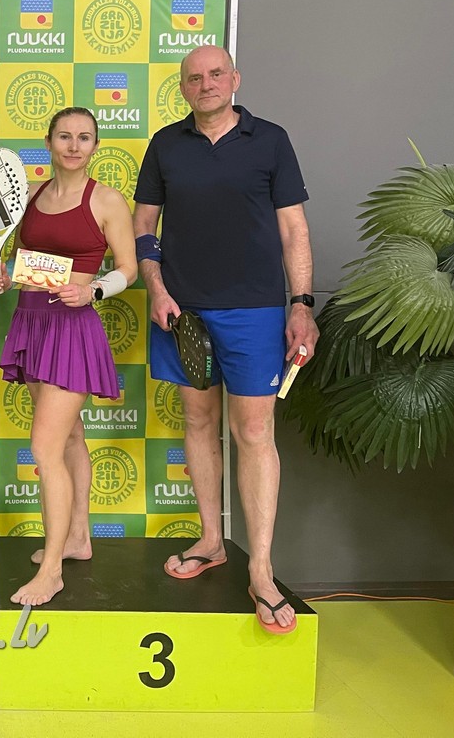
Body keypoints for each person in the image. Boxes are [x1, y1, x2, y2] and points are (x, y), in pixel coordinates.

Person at [133, 44, 317, 634]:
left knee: (255, 432)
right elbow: (143, 225)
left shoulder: (271, 140)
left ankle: (260, 569)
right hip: (182, 310)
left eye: (216, 74)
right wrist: (156, 288)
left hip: (256, 311)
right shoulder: (165, 144)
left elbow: (294, 229)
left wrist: (302, 305)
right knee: (197, 421)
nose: (206, 83)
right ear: (182, 87)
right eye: (194, 77)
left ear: (235, 78)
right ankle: (211, 539)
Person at [0, 107, 136, 604]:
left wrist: (93, 291)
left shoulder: (107, 200)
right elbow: (26, 265)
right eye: (65, 136)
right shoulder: (30, 195)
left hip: (72, 330)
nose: (74, 146)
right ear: (49, 142)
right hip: (31, 322)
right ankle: (77, 538)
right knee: (70, 437)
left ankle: (51, 571)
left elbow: (128, 269)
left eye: (84, 137)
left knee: (45, 449)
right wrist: (4, 278)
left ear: (95, 145)